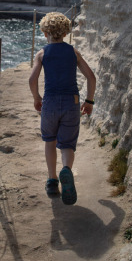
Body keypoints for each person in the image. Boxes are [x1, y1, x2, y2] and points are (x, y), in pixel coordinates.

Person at [28, 12, 96, 205]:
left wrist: (36, 98)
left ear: (44, 33)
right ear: (66, 33)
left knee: (50, 140)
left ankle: (52, 181)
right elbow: (91, 77)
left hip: (49, 102)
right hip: (71, 103)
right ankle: (66, 169)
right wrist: (89, 101)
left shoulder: (42, 54)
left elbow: (32, 79)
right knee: (67, 144)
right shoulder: (73, 52)